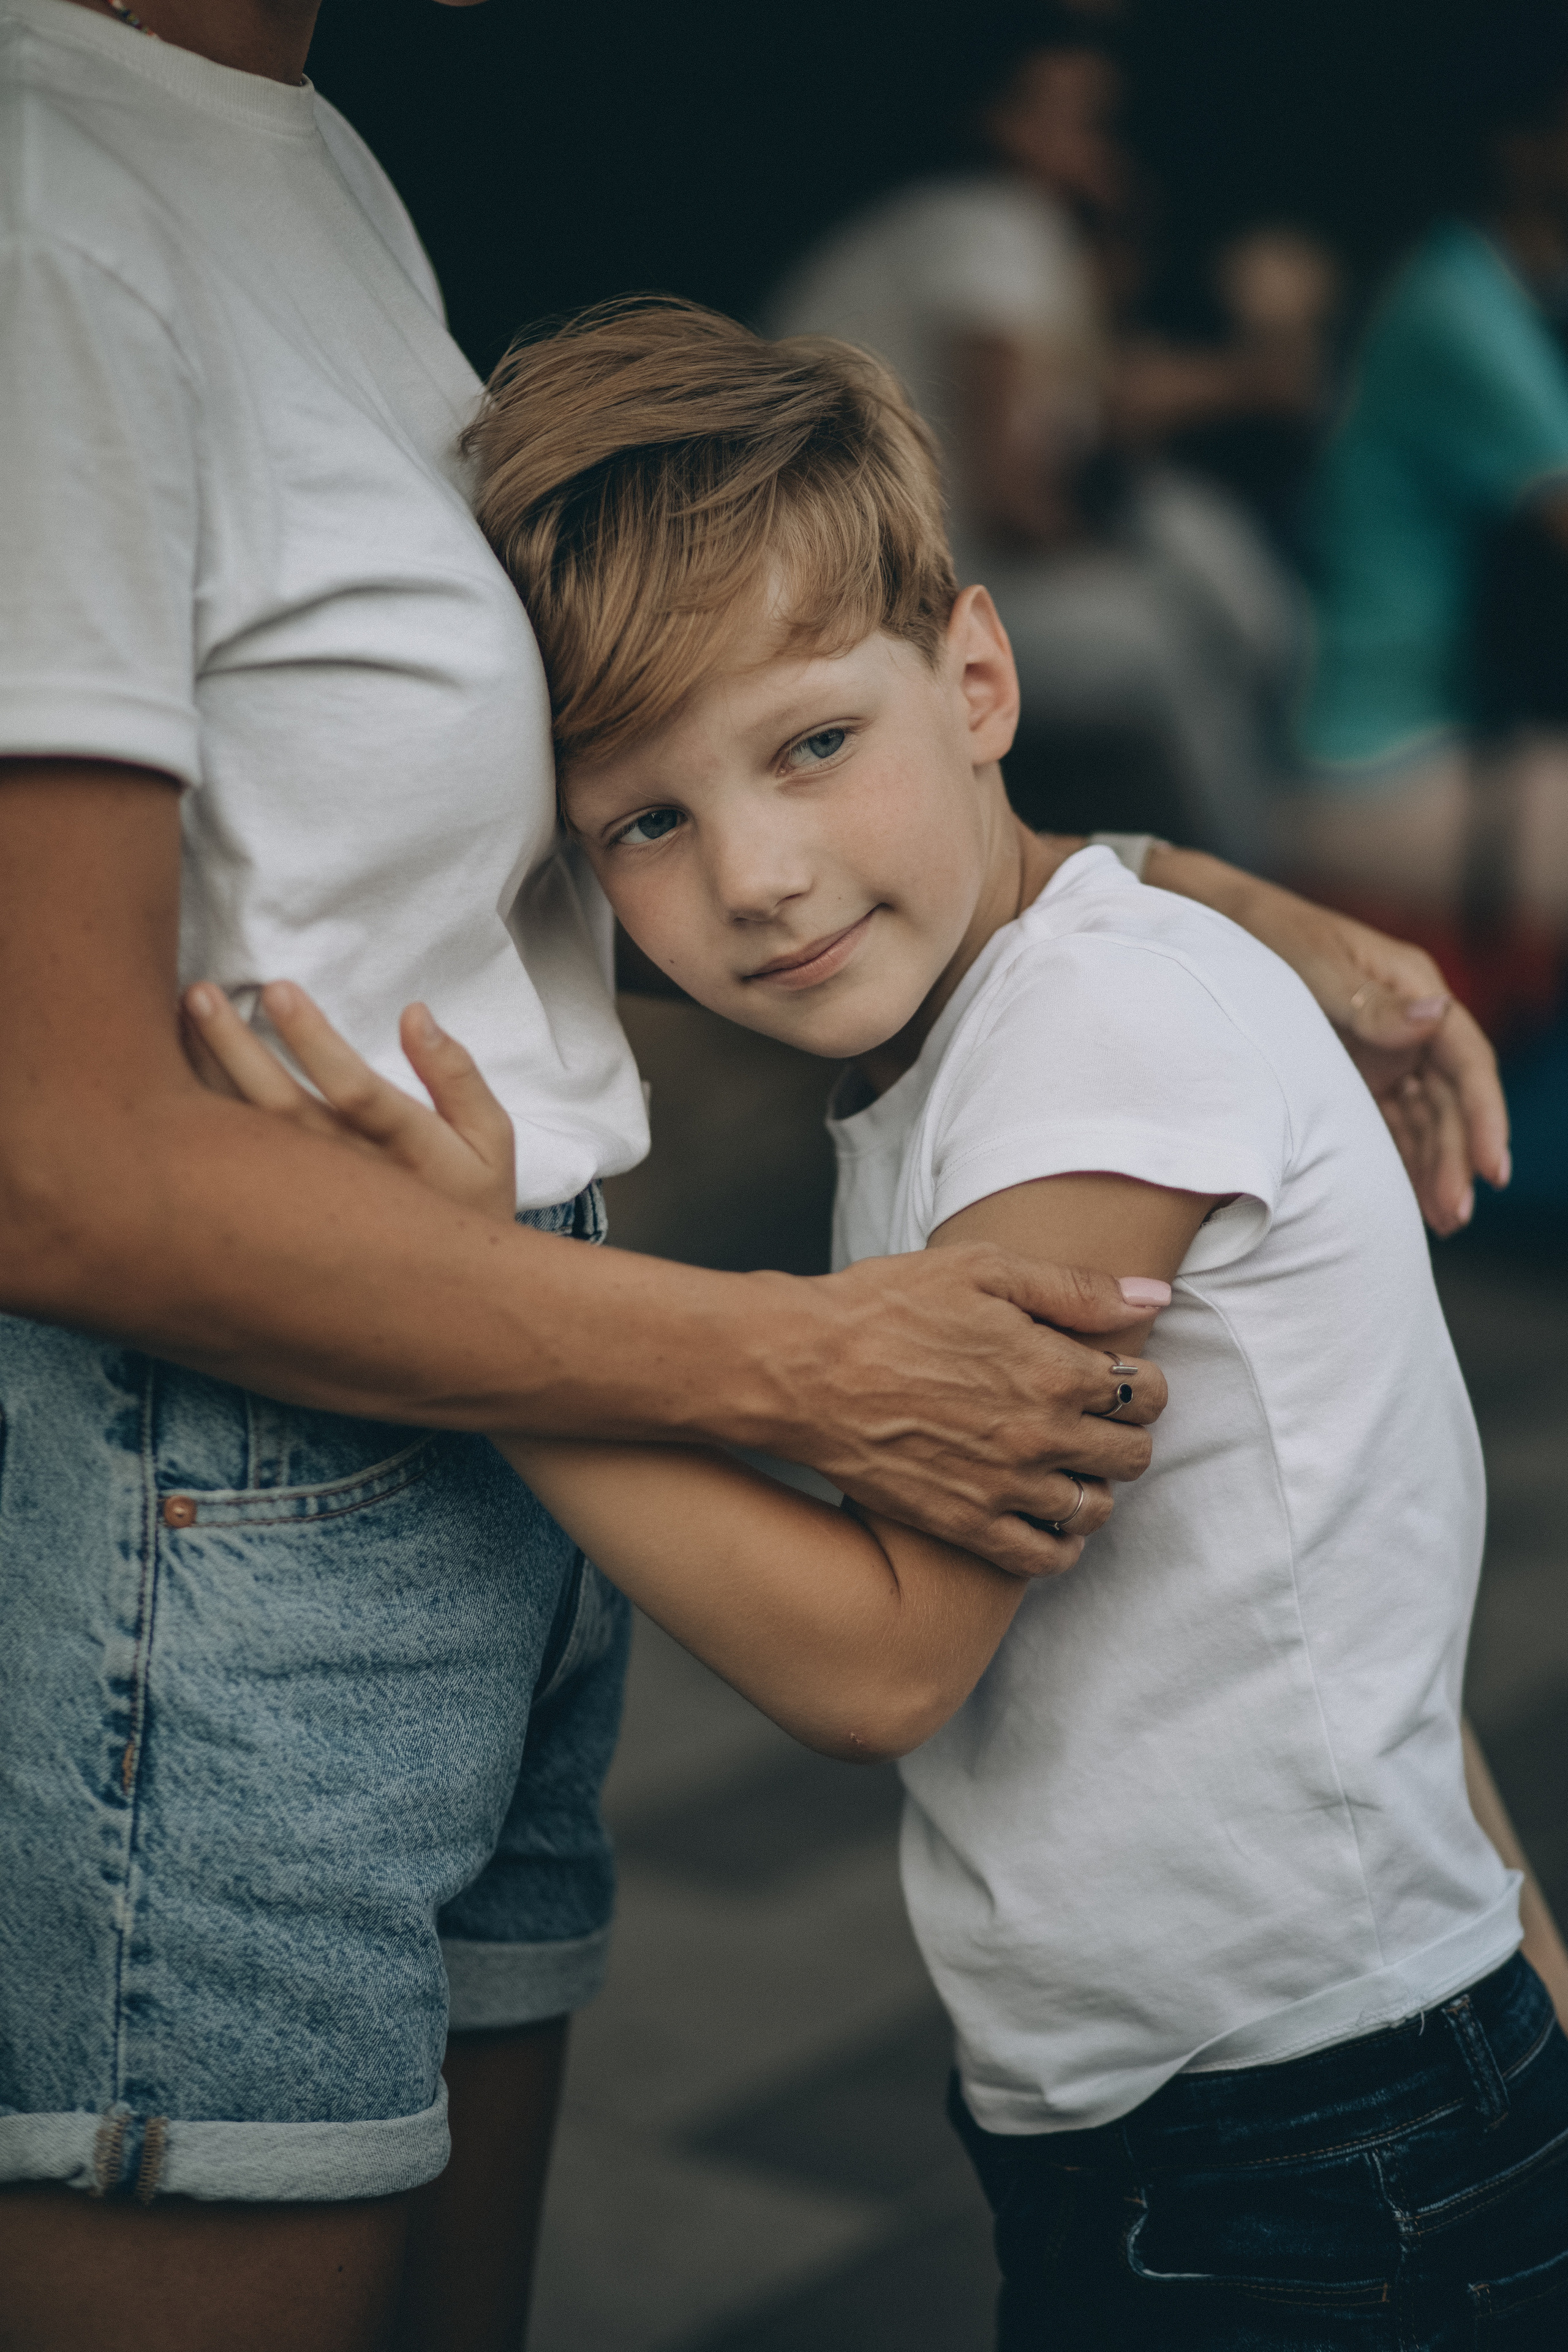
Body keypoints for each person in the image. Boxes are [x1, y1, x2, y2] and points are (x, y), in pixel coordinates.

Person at [0, 9, 1510, 2351]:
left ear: (983, 675)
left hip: (1306, 2144)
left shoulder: (1091, 1039)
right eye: (645, 830)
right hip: (1215, 2111)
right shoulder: (53, 189)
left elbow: (888, 1654)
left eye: (820, 749)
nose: (762, 880)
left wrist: (459, 1312)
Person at [766, 5, 1330, 859]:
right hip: (869, 608)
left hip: (857, 589)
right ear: (987, 119)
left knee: (1201, 565)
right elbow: (1017, 494)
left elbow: (1093, 409)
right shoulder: (987, 223)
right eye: (1058, 115)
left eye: (1097, 119)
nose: (1085, 141)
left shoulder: (966, 230)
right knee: (1173, 636)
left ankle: (1284, 852)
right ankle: (1270, 891)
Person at [1284, 4, 1568, 971]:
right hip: (1382, 764)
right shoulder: (1461, 312)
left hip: (1463, 742)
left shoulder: (1510, 290)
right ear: (1524, 143)